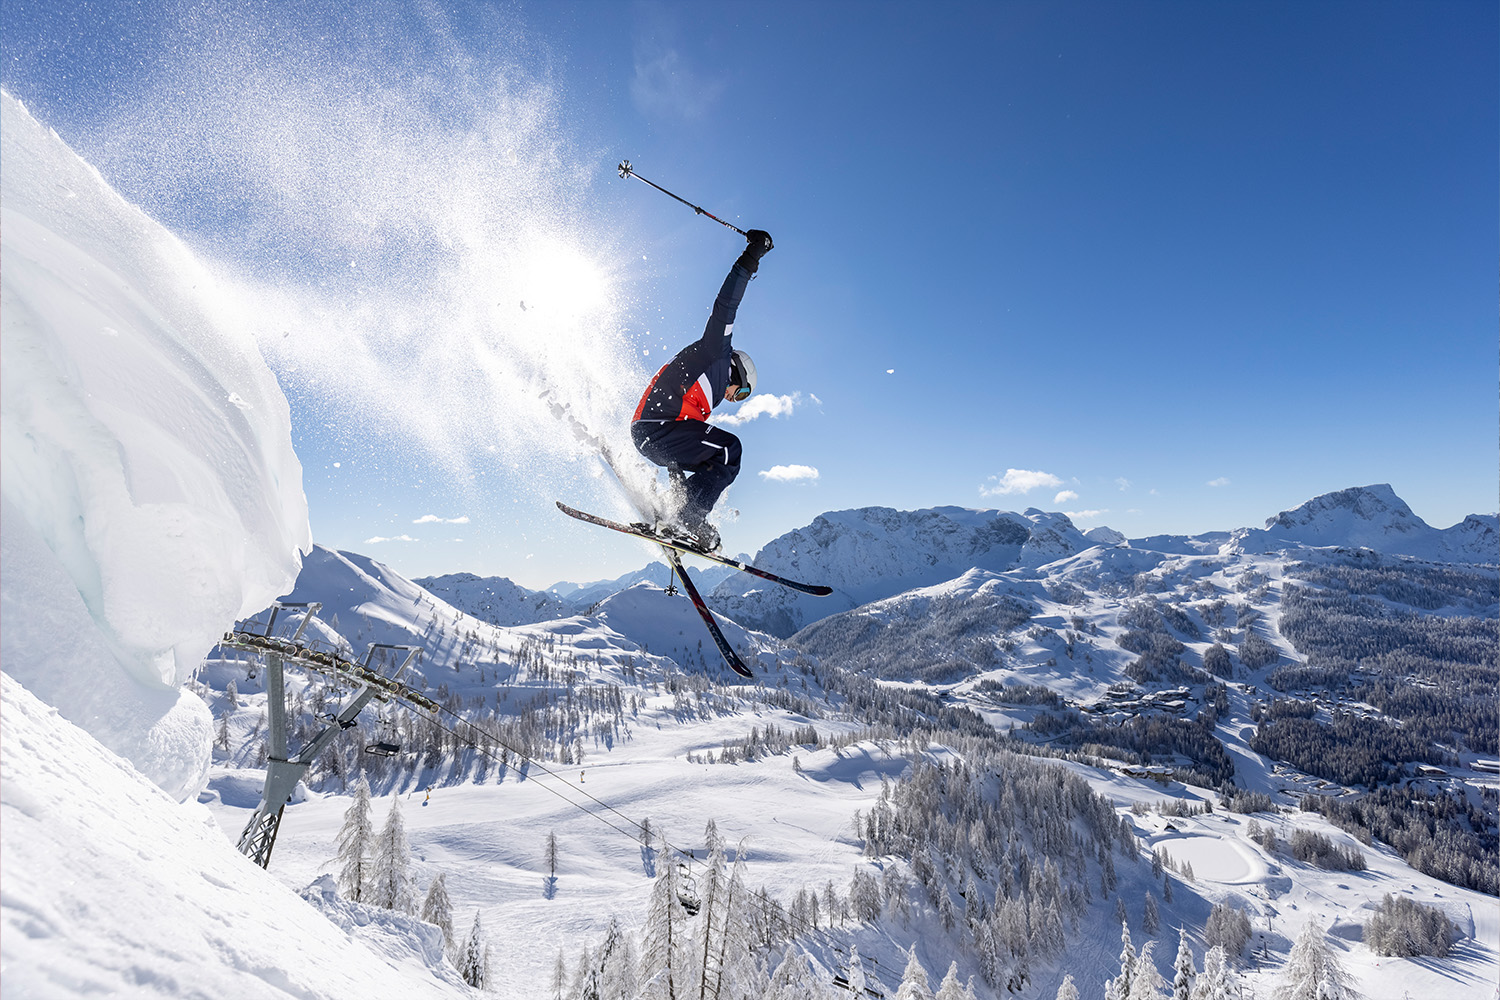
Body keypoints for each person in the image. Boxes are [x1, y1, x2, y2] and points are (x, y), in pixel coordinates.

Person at [630, 229, 774, 551]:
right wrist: (751, 257)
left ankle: (678, 515)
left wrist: (673, 507)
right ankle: (689, 517)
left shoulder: (703, 398)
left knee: (714, 461)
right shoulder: (717, 353)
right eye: (742, 393)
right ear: (738, 372)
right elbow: (726, 305)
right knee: (730, 450)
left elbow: (682, 455)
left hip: (653, 434)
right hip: (657, 427)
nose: (735, 399)